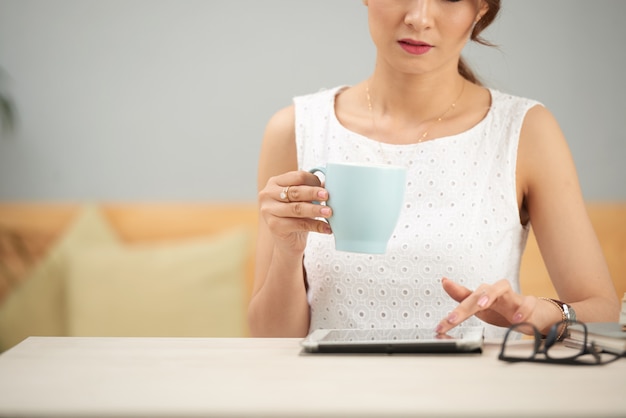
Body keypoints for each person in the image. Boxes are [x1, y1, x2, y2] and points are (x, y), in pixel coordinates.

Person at [248, 0, 619, 339]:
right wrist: (287, 252)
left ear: (481, 9)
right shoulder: (297, 128)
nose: (419, 17)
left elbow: (602, 312)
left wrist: (541, 312)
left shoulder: (525, 131)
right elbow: (269, 342)